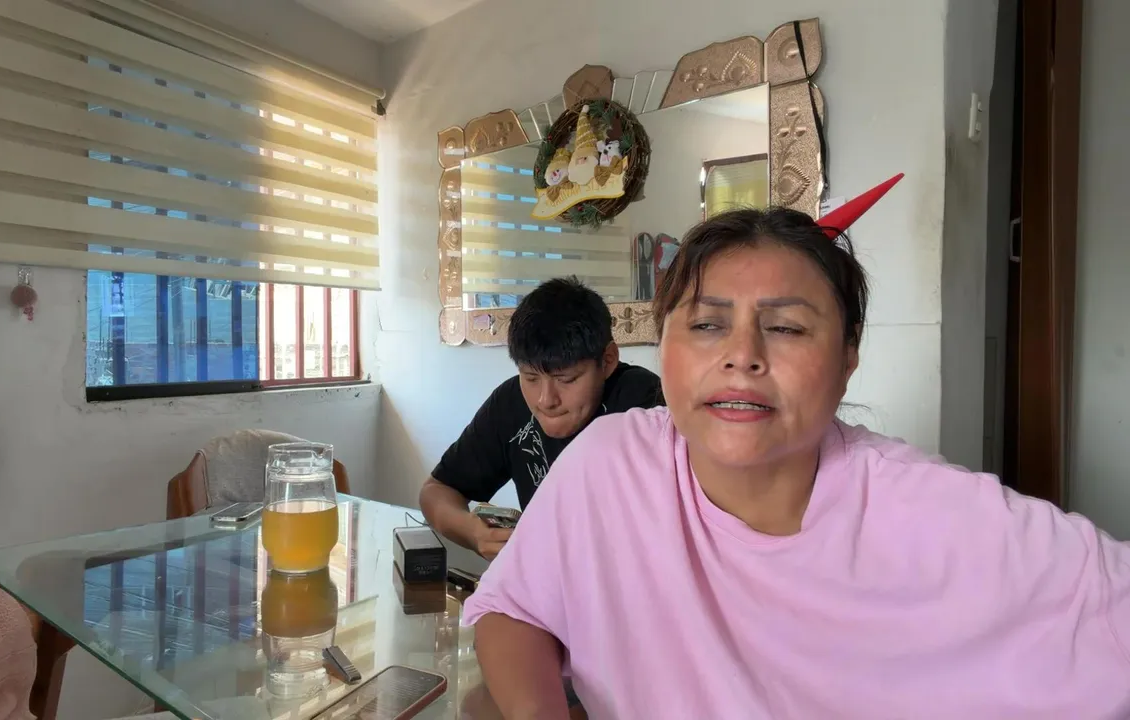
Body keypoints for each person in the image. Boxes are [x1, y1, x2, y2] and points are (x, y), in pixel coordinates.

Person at [463, 178, 1130, 719]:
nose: (742, 355)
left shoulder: (935, 515)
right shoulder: (612, 463)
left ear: (848, 357)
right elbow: (512, 608)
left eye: (785, 327)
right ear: (661, 347)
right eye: (707, 324)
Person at [419, 277, 662, 561]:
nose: (546, 400)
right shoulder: (511, 403)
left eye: (566, 379)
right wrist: (472, 532)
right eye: (531, 377)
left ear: (607, 361)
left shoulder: (646, 404)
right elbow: (436, 491)